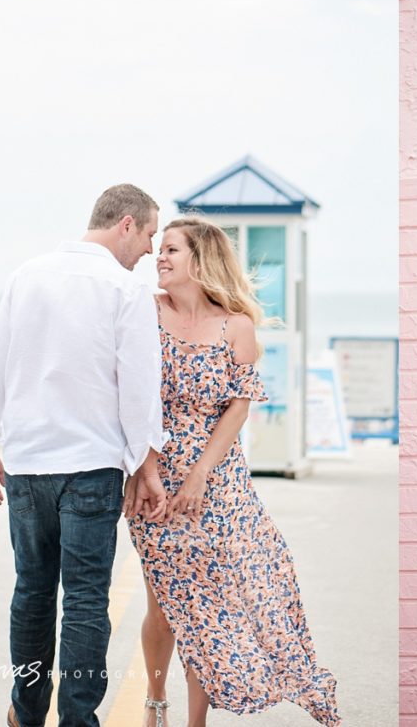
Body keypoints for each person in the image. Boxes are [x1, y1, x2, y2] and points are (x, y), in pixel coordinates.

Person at [125, 217, 340, 727]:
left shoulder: (236, 327)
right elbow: (132, 395)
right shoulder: (144, 314)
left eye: (172, 249)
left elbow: (237, 408)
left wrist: (201, 473)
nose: (160, 256)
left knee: (210, 610)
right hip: (151, 479)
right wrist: (147, 466)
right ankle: (155, 706)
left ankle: (196, 721)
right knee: (165, 604)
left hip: (219, 484)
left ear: (201, 260)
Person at [0, 183, 169, 727]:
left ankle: (26, 714)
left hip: (29, 466)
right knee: (84, 599)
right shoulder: (123, 291)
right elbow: (138, 390)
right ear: (126, 224)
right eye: (150, 234)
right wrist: (144, 466)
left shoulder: (25, 276)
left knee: (32, 590)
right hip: (91, 468)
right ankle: (79, 721)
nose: (150, 250)